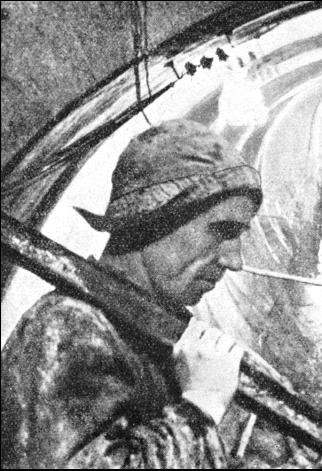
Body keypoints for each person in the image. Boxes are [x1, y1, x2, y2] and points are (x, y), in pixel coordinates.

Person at [1, 119, 273, 468]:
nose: (235, 261)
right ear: (152, 219)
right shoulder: (71, 328)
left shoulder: (149, 337)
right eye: (222, 230)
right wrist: (201, 408)